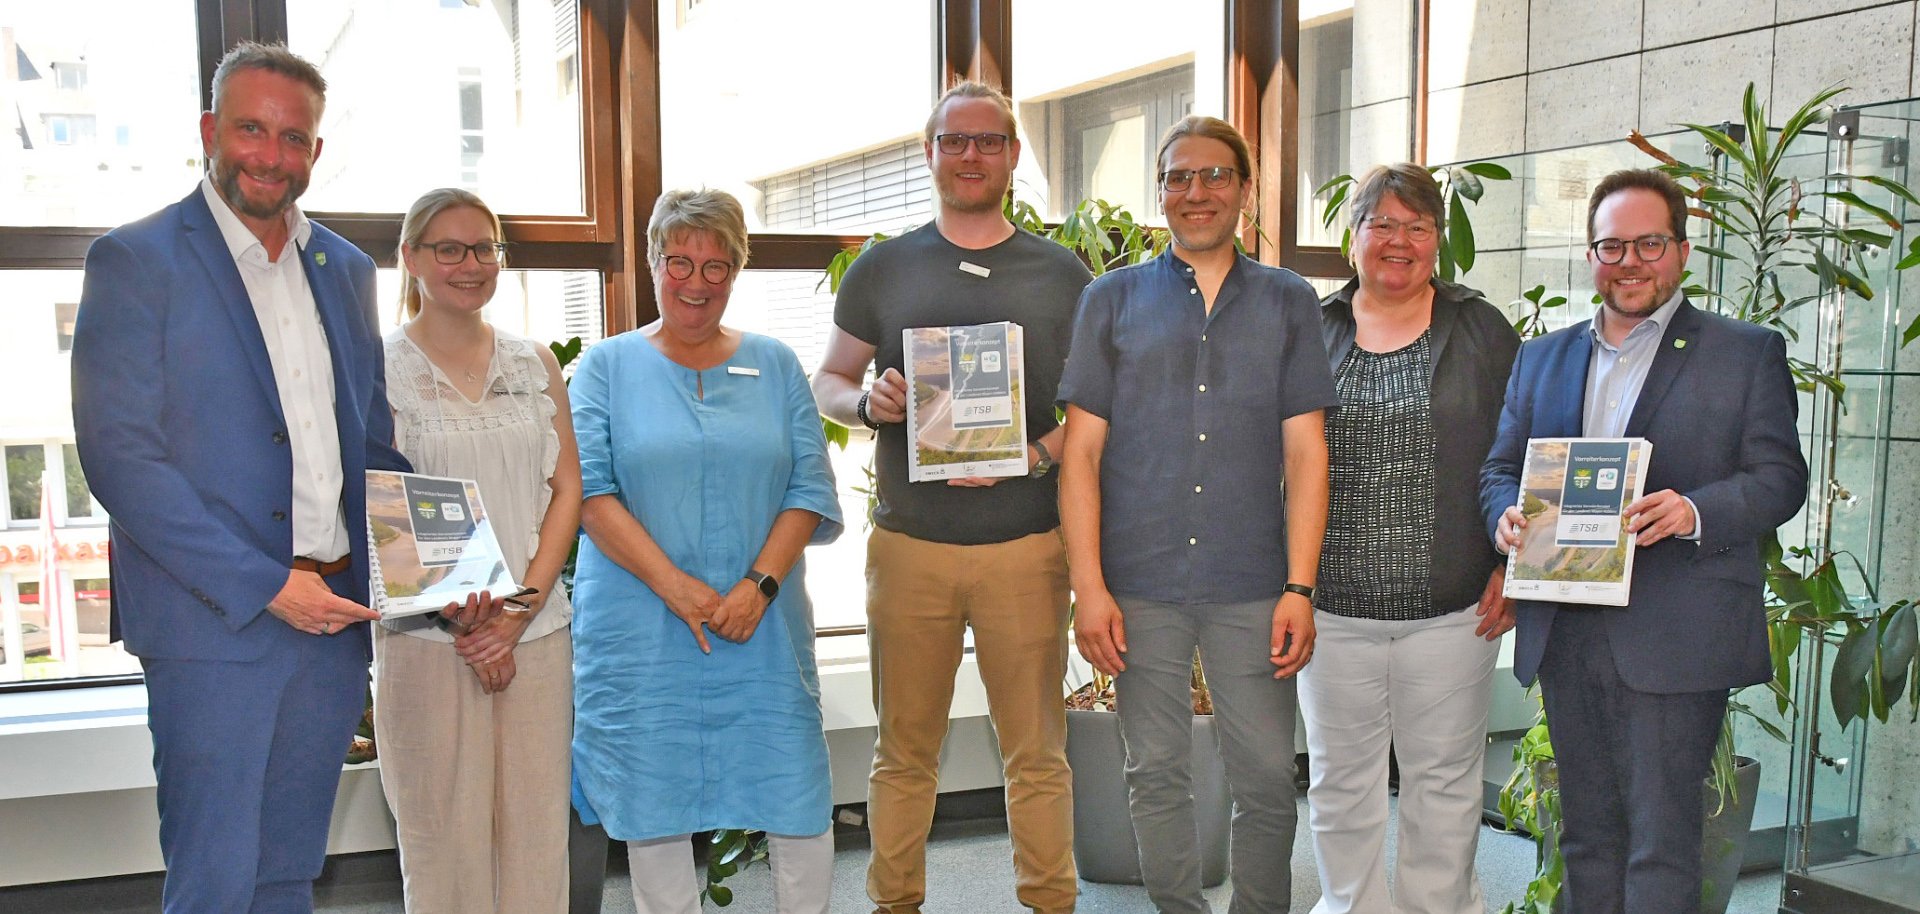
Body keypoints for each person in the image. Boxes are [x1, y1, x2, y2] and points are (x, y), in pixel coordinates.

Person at [69, 41, 411, 913]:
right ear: (210, 130)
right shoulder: (136, 260)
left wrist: (439, 574)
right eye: (252, 130)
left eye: (293, 138)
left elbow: (371, 446)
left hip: (331, 619)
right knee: (215, 879)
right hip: (210, 624)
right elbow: (120, 457)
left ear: (316, 153)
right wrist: (268, 586)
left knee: (289, 869)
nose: (271, 154)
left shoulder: (348, 270)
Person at [1480, 168, 1808, 913]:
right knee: (1586, 835)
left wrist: (1694, 510)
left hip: (1675, 634)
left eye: (1649, 244)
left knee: (1662, 843)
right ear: (1592, 255)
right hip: (1566, 630)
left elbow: (1781, 478)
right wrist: (1502, 513)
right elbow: (1502, 468)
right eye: (1612, 245)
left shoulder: (1744, 352)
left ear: (1682, 252)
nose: (1630, 261)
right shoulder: (1544, 356)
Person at [811, 80, 1091, 914]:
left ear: (1011, 154)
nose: (971, 155)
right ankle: (893, 902)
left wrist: (1038, 454)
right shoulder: (883, 266)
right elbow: (828, 379)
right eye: (954, 141)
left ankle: (1051, 902)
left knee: (1037, 752)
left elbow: (1098, 410)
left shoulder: (1062, 272)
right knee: (904, 752)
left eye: (989, 141)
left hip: (1026, 546)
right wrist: (869, 406)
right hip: (911, 549)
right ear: (930, 154)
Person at [1059, 114, 1332, 914]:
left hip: (1253, 581)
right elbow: (1079, 456)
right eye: (1179, 177)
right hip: (1139, 580)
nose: (1196, 191)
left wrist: (1302, 587)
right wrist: (1090, 587)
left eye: (1214, 175)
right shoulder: (1110, 300)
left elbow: (1308, 455)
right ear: (1161, 194)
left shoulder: (1288, 302)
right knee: (1154, 772)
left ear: (1245, 190)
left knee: (1266, 779)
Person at [570, 188, 843, 914]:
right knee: (651, 800)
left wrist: (758, 586)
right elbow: (590, 497)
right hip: (642, 626)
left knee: (796, 793)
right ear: (654, 262)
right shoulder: (604, 367)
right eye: (679, 261)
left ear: (738, 270)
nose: (696, 282)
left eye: (716, 265)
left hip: (763, 623)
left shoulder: (777, 364)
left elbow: (810, 488)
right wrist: (676, 587)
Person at [1305, 163, 1519, 914]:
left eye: (1417, 226)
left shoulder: (1483, 328)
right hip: (1329, 610)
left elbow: (1521, 453)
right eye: (1382, 224)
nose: (1399, 241)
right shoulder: (1312, 328)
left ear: (1438, 240)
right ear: (1353, 236)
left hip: (1454, 610)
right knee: (1341, 783)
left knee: (1444, 783)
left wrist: (1512, 566)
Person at [375, 188, 581, 912]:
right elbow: (378, 506)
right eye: (449, 249)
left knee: (534, 842)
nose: (470, 264)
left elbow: (567, 492)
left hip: (536, 635)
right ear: (411, 258)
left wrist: (513, 617)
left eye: (484, 248)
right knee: (441, 846)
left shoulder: (534, 365)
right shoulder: (382, 369)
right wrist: (463, 623)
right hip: (430, 645)